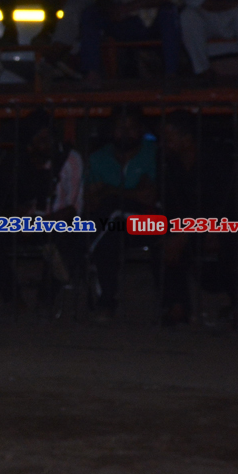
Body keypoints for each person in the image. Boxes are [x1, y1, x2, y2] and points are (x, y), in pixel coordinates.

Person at [158, 111, 238, 326]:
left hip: (229, 221)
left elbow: (228, 203)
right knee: (163, 241)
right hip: (191, 226)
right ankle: (177, 306)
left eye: (168, 138)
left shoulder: (216, 159)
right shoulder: (169, 164)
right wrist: (179, 232)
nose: (163, 144)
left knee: (235, 241)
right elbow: (172, 205)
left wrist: (206, 228)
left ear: (187, 139)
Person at [0, 110, 84, 310]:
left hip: (55, 223)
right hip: (20, 223)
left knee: (69, 235)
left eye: (51, 137)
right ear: (29, 146)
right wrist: (15, 216)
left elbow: (74, 209)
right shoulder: (13, 163)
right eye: (42, 141)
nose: (50, 144)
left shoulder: (69, 159)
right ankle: (12, 298)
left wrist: (40, 223)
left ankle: (45, 299)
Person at [84, 106, 157, 321]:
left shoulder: (153, 154)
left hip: (148, 223)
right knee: (109, 234)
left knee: (111, 208)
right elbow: (91, 201)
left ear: (141, 130)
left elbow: (148, 197)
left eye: (132, 128)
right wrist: (128, 193)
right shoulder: (98, 158)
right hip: (112, 228)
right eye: (119, 128)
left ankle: (83, 249)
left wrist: (109, 190)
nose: (125, 133)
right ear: (110, 130)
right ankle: (106, 301)